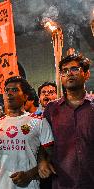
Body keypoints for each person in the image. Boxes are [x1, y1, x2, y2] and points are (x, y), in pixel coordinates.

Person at [0, 76, 54, 189]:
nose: (9, 93)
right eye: (7, 91)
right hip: (0, 184)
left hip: (29, 185)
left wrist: (29, 174)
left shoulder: (39, 122)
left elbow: (52, 155)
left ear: (25, 96)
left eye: (15, 90)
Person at [43, 53, 94, 189]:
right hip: (63, 182)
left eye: (74, 69)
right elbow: (42, 142)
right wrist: (42, 160)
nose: (69, 74)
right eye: (64, 71)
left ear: (87, 74)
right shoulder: (51, 109)